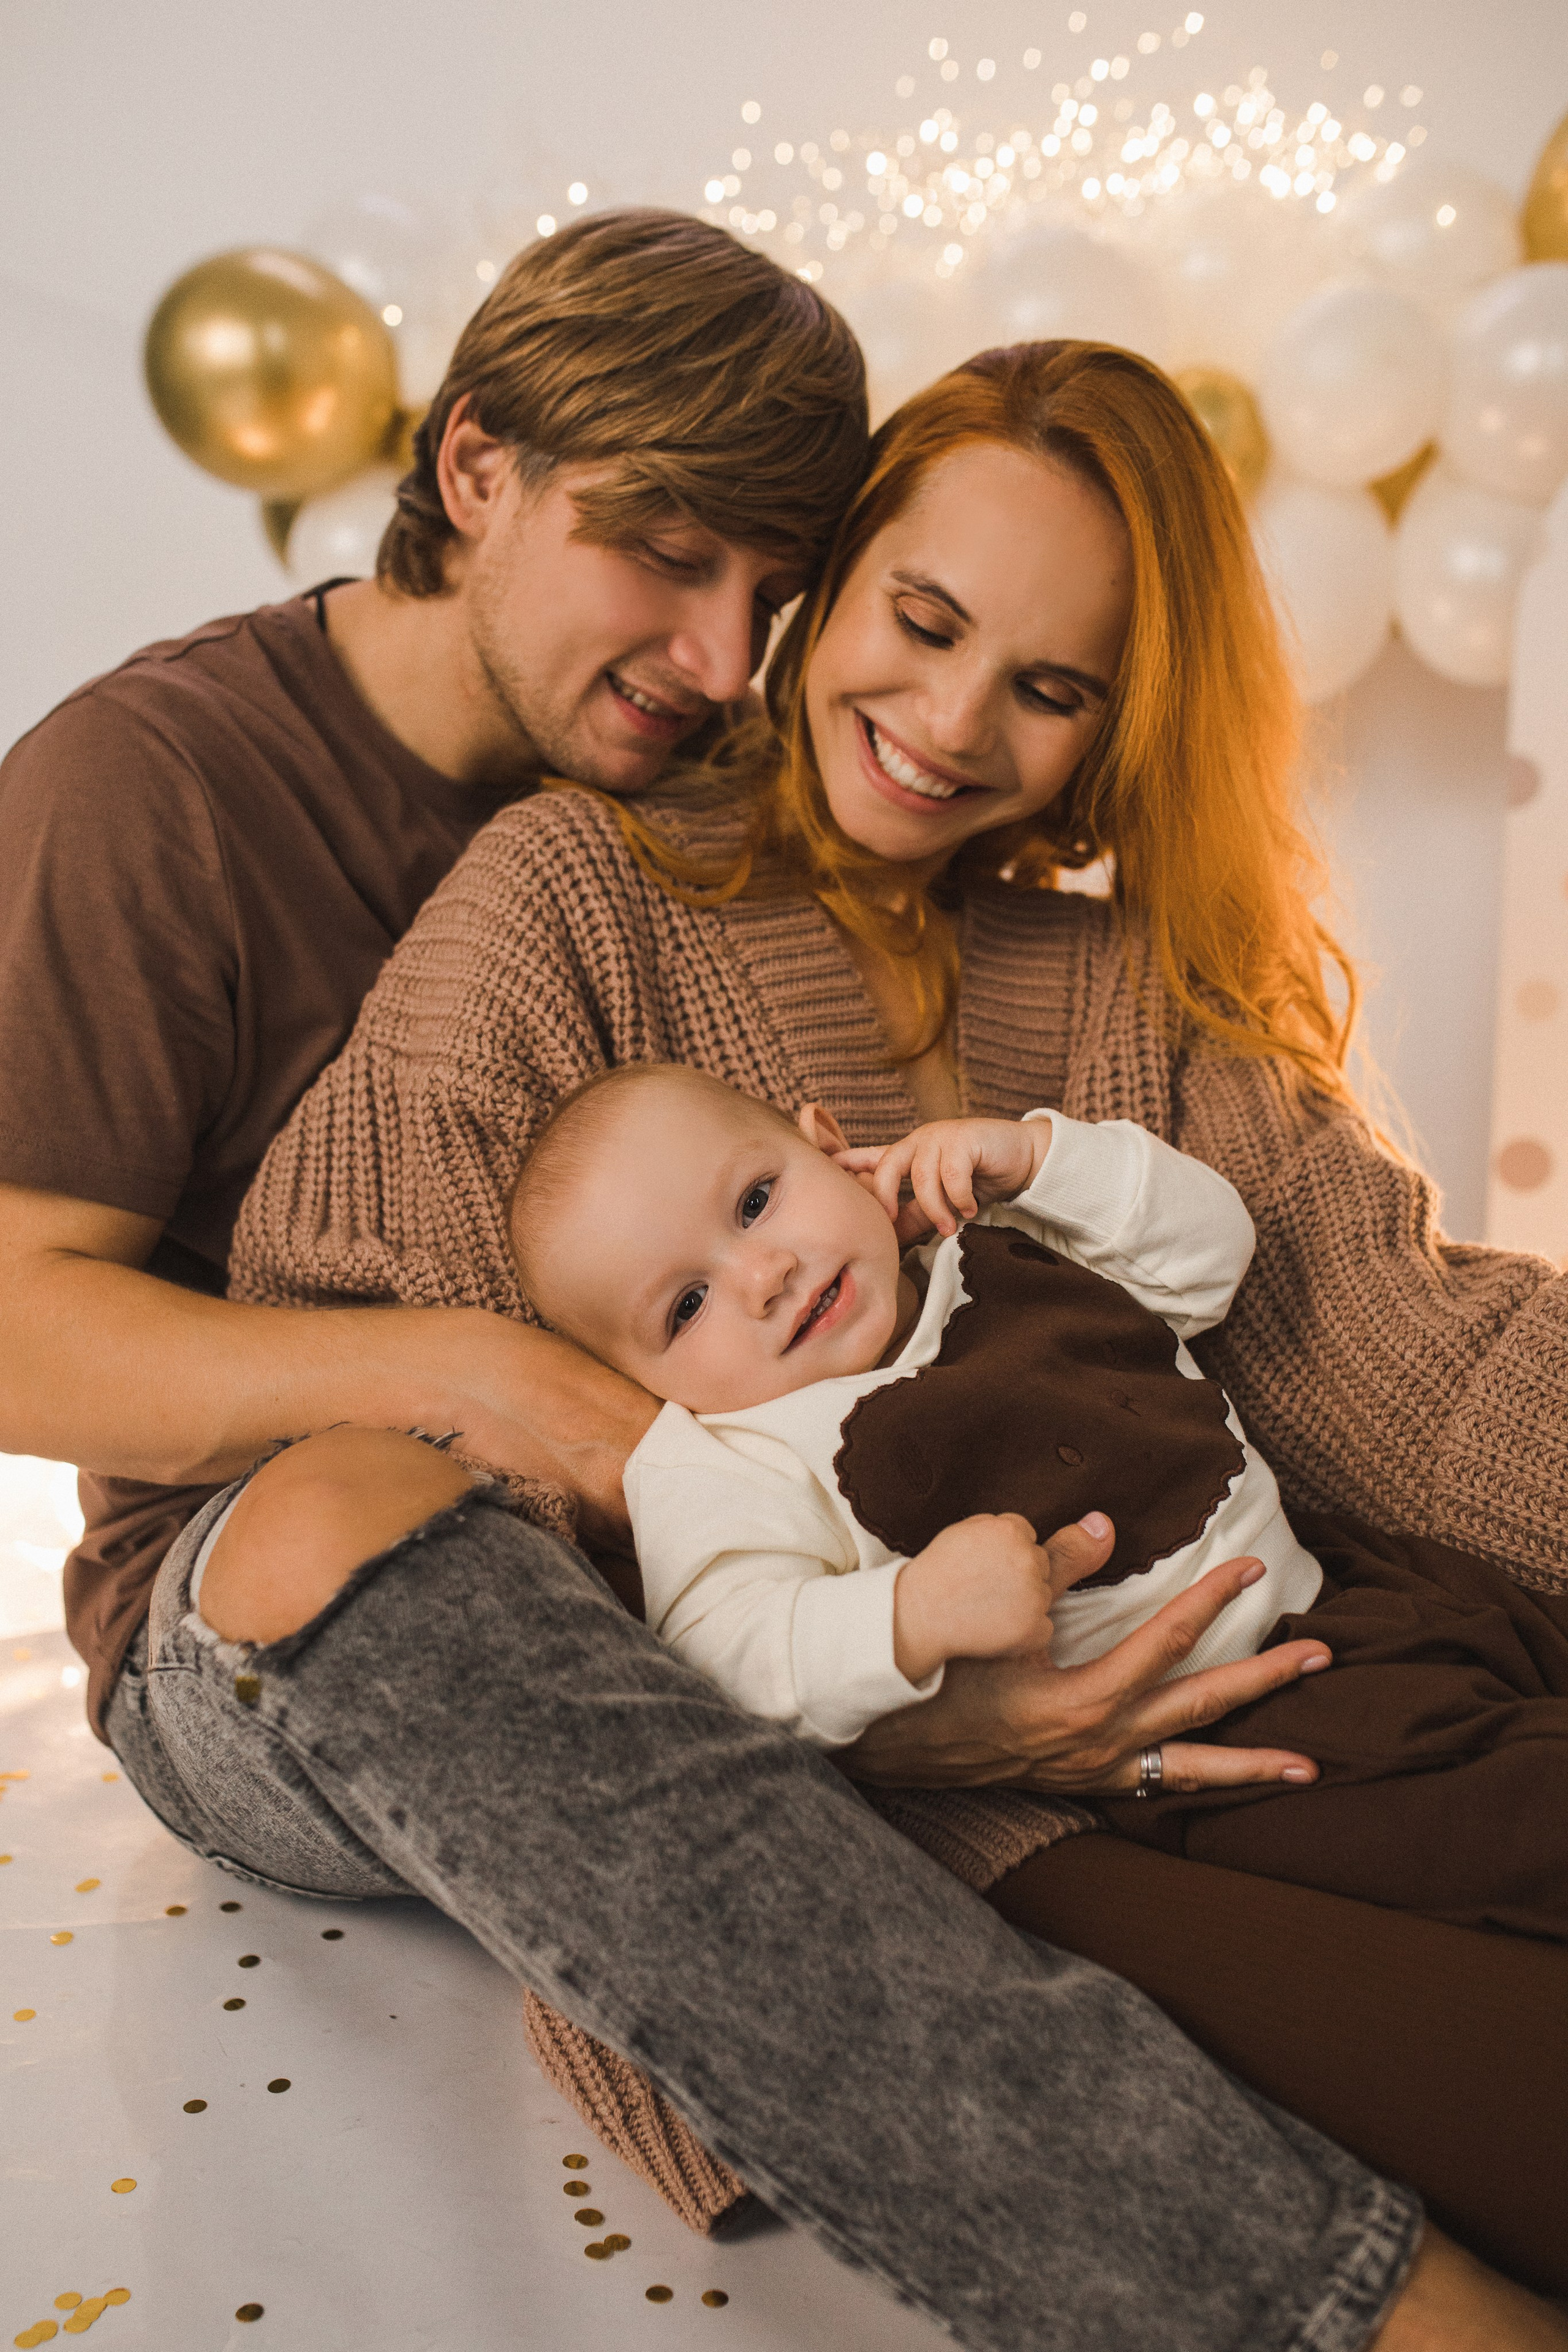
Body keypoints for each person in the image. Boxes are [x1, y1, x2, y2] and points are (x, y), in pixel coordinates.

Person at [0, 221, 1556, 2341]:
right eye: (670, 558)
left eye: (771, 584)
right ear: (475, 469)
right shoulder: (188, 795)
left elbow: (1383, 1338)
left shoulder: (785, 846)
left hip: (796, 1614)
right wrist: (825, 1636)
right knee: (386, 1505)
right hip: (304, 1587)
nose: (728, 655)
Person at [508, 1063, 1568, 1942]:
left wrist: (1041, 1159)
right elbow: (726, 1651)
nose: (764, 1275)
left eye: (754, 1203)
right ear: (650, 1386)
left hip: (1360, 1585)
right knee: (1516, 1827)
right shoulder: (723, 1460)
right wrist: (907, 1616)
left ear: (830, 1143)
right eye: (687, 1305)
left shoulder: (995, 1240)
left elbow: (1210, 1262)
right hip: (1233, 1736)